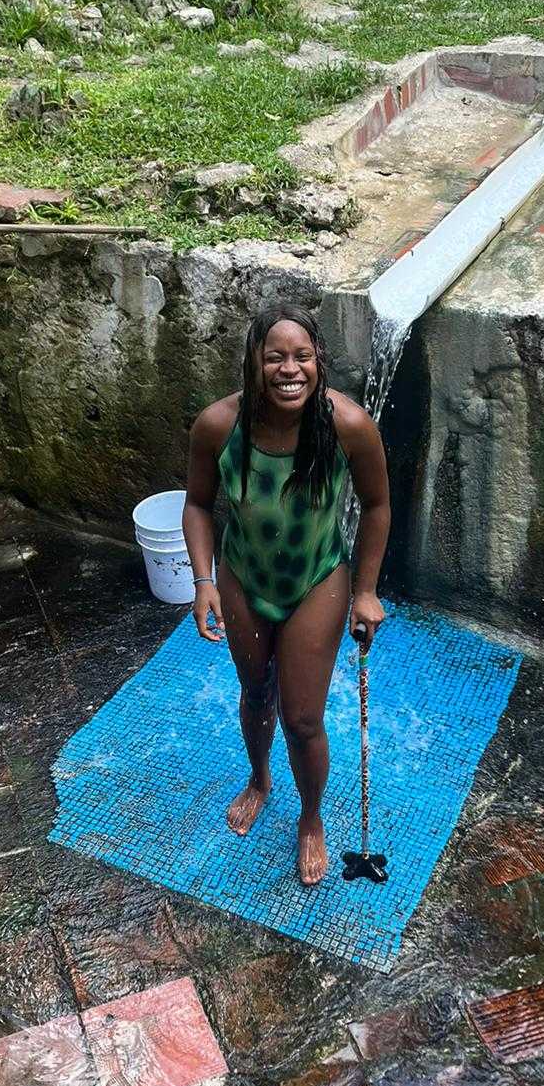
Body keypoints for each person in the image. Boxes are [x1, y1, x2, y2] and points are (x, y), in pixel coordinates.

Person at [183, 302, 391, 888]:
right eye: (275, 357)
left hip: (317, 580)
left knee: (302, 718)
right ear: (254, 363)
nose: (289, 369)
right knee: (256, 691)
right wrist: (203, 581)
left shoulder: (348, 425)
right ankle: (259, 779)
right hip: (244, 577)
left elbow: (377, 507)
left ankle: (310, 817)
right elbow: (198, 505)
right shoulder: (219, 426)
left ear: (319, 361)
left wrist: (367, 592)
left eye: (302, 357)